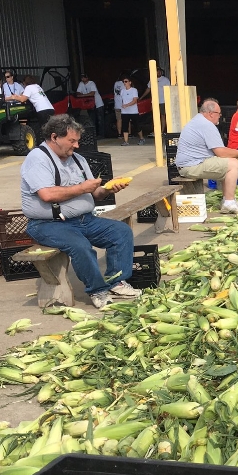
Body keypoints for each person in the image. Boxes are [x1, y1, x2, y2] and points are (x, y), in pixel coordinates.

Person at [19, 114, 139, 309]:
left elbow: (96, 193)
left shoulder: (78, 159)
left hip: (85, 219)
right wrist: (84, 187)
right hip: (49, 224)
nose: (76, 145)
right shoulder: (38, 159)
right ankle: (97, 290)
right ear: (55, 137)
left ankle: (117, 282)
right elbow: (47, 195)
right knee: (81, 246)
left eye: (77, 141)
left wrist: (108, 189)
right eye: (71, 141)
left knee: (121, 232)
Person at [175, 99, 238, 214]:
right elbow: (221, 152)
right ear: (211, 113)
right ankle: (229, 203)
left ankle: (227, 200)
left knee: (226, 162)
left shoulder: (198, 120)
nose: (220, 116)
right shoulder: (206, 125)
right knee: (233, 164)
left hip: (190, 163)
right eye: (219, 113)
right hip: (192, 165)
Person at [119, 76, 144, 146]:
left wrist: (127, 105)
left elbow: (135, 100)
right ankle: (126, 141)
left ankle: (141, 138)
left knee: (137, 126)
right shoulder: (122, 91)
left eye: (126, 81)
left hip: (133, 111)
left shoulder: (134, 90)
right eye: (123, 82)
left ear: (130, 82)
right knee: (124, 126)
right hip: (124, 112)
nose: (124, 83)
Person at [113, 72, 128, 137]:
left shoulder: (116, 83)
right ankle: (128, 133)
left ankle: (119, 134)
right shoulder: (125, 83)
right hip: (124, 104)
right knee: (127, 119)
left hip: (117, 104)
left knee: (119, 119)